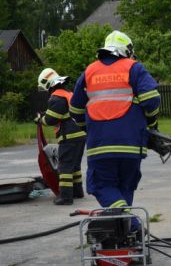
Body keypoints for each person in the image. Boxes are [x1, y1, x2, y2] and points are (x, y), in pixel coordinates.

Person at [70, 30, 160, 225]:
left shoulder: (89, 72)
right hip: (131, 146)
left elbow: (75, 110)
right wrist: (151, 123)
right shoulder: (134, 68)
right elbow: (151, 100)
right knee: (125, 187)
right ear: (127, 50)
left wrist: (92, 128)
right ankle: (128, 237)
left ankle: (132, 227)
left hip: (100, 146)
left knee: (102, 186)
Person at [36, 68, 87, 205]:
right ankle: (77, 192)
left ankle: (66, 197)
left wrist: (41, 120)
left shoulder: (57, 97)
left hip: (69, 136)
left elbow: (51, 119)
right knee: (75, 166)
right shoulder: (68, 93)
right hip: (80, 134)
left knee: (64, 166)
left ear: (47, 84)